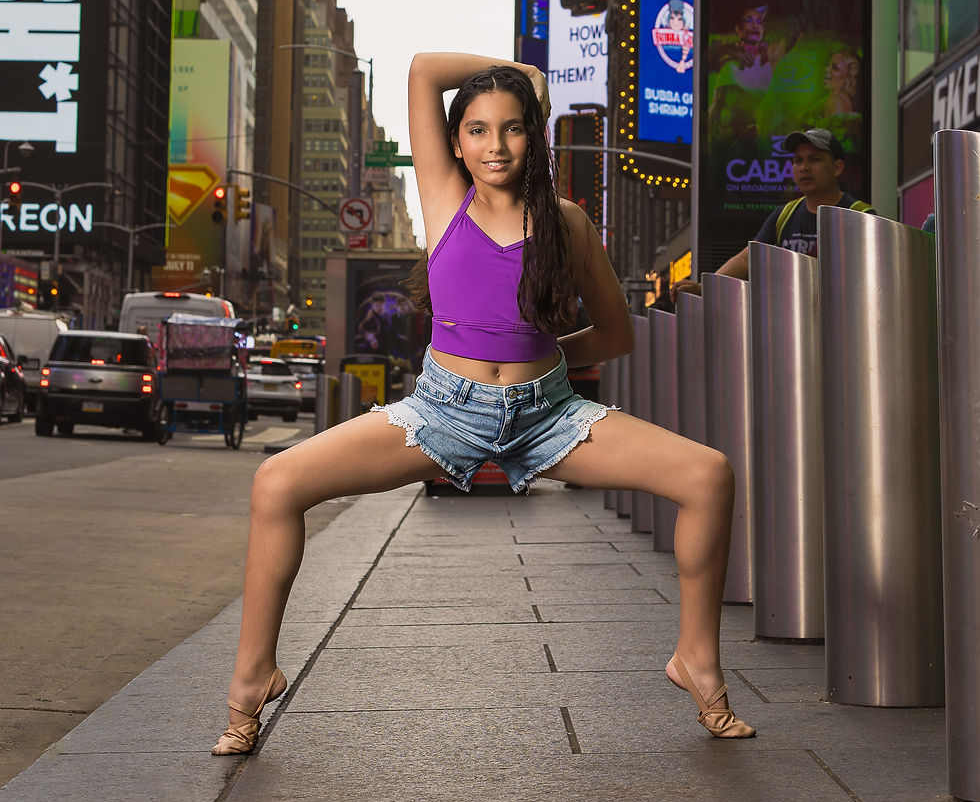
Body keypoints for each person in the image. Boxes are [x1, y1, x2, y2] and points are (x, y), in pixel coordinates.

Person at [211, 52, 754, 756]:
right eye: (476, 129)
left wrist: (541, 364)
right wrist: (520, 69)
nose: (495, 146)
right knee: (275, 482)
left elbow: (616, 334)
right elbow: (422, 70)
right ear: (456, 141)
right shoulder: (443, 197)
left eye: (513, 128)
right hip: (444, 411)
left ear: (535, 136)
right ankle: (252, 679)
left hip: (550, 414)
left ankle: (697, 662)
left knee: (709, 475)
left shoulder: (567, 223)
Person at [671, 127, 874, 298]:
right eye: (798, 160)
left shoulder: (860, 215)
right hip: (792, 324)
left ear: (837, 167)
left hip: (844, 326)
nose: (804, 167)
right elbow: (747, 259)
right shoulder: (784, 214)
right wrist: (703, 288)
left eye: (814, 159)